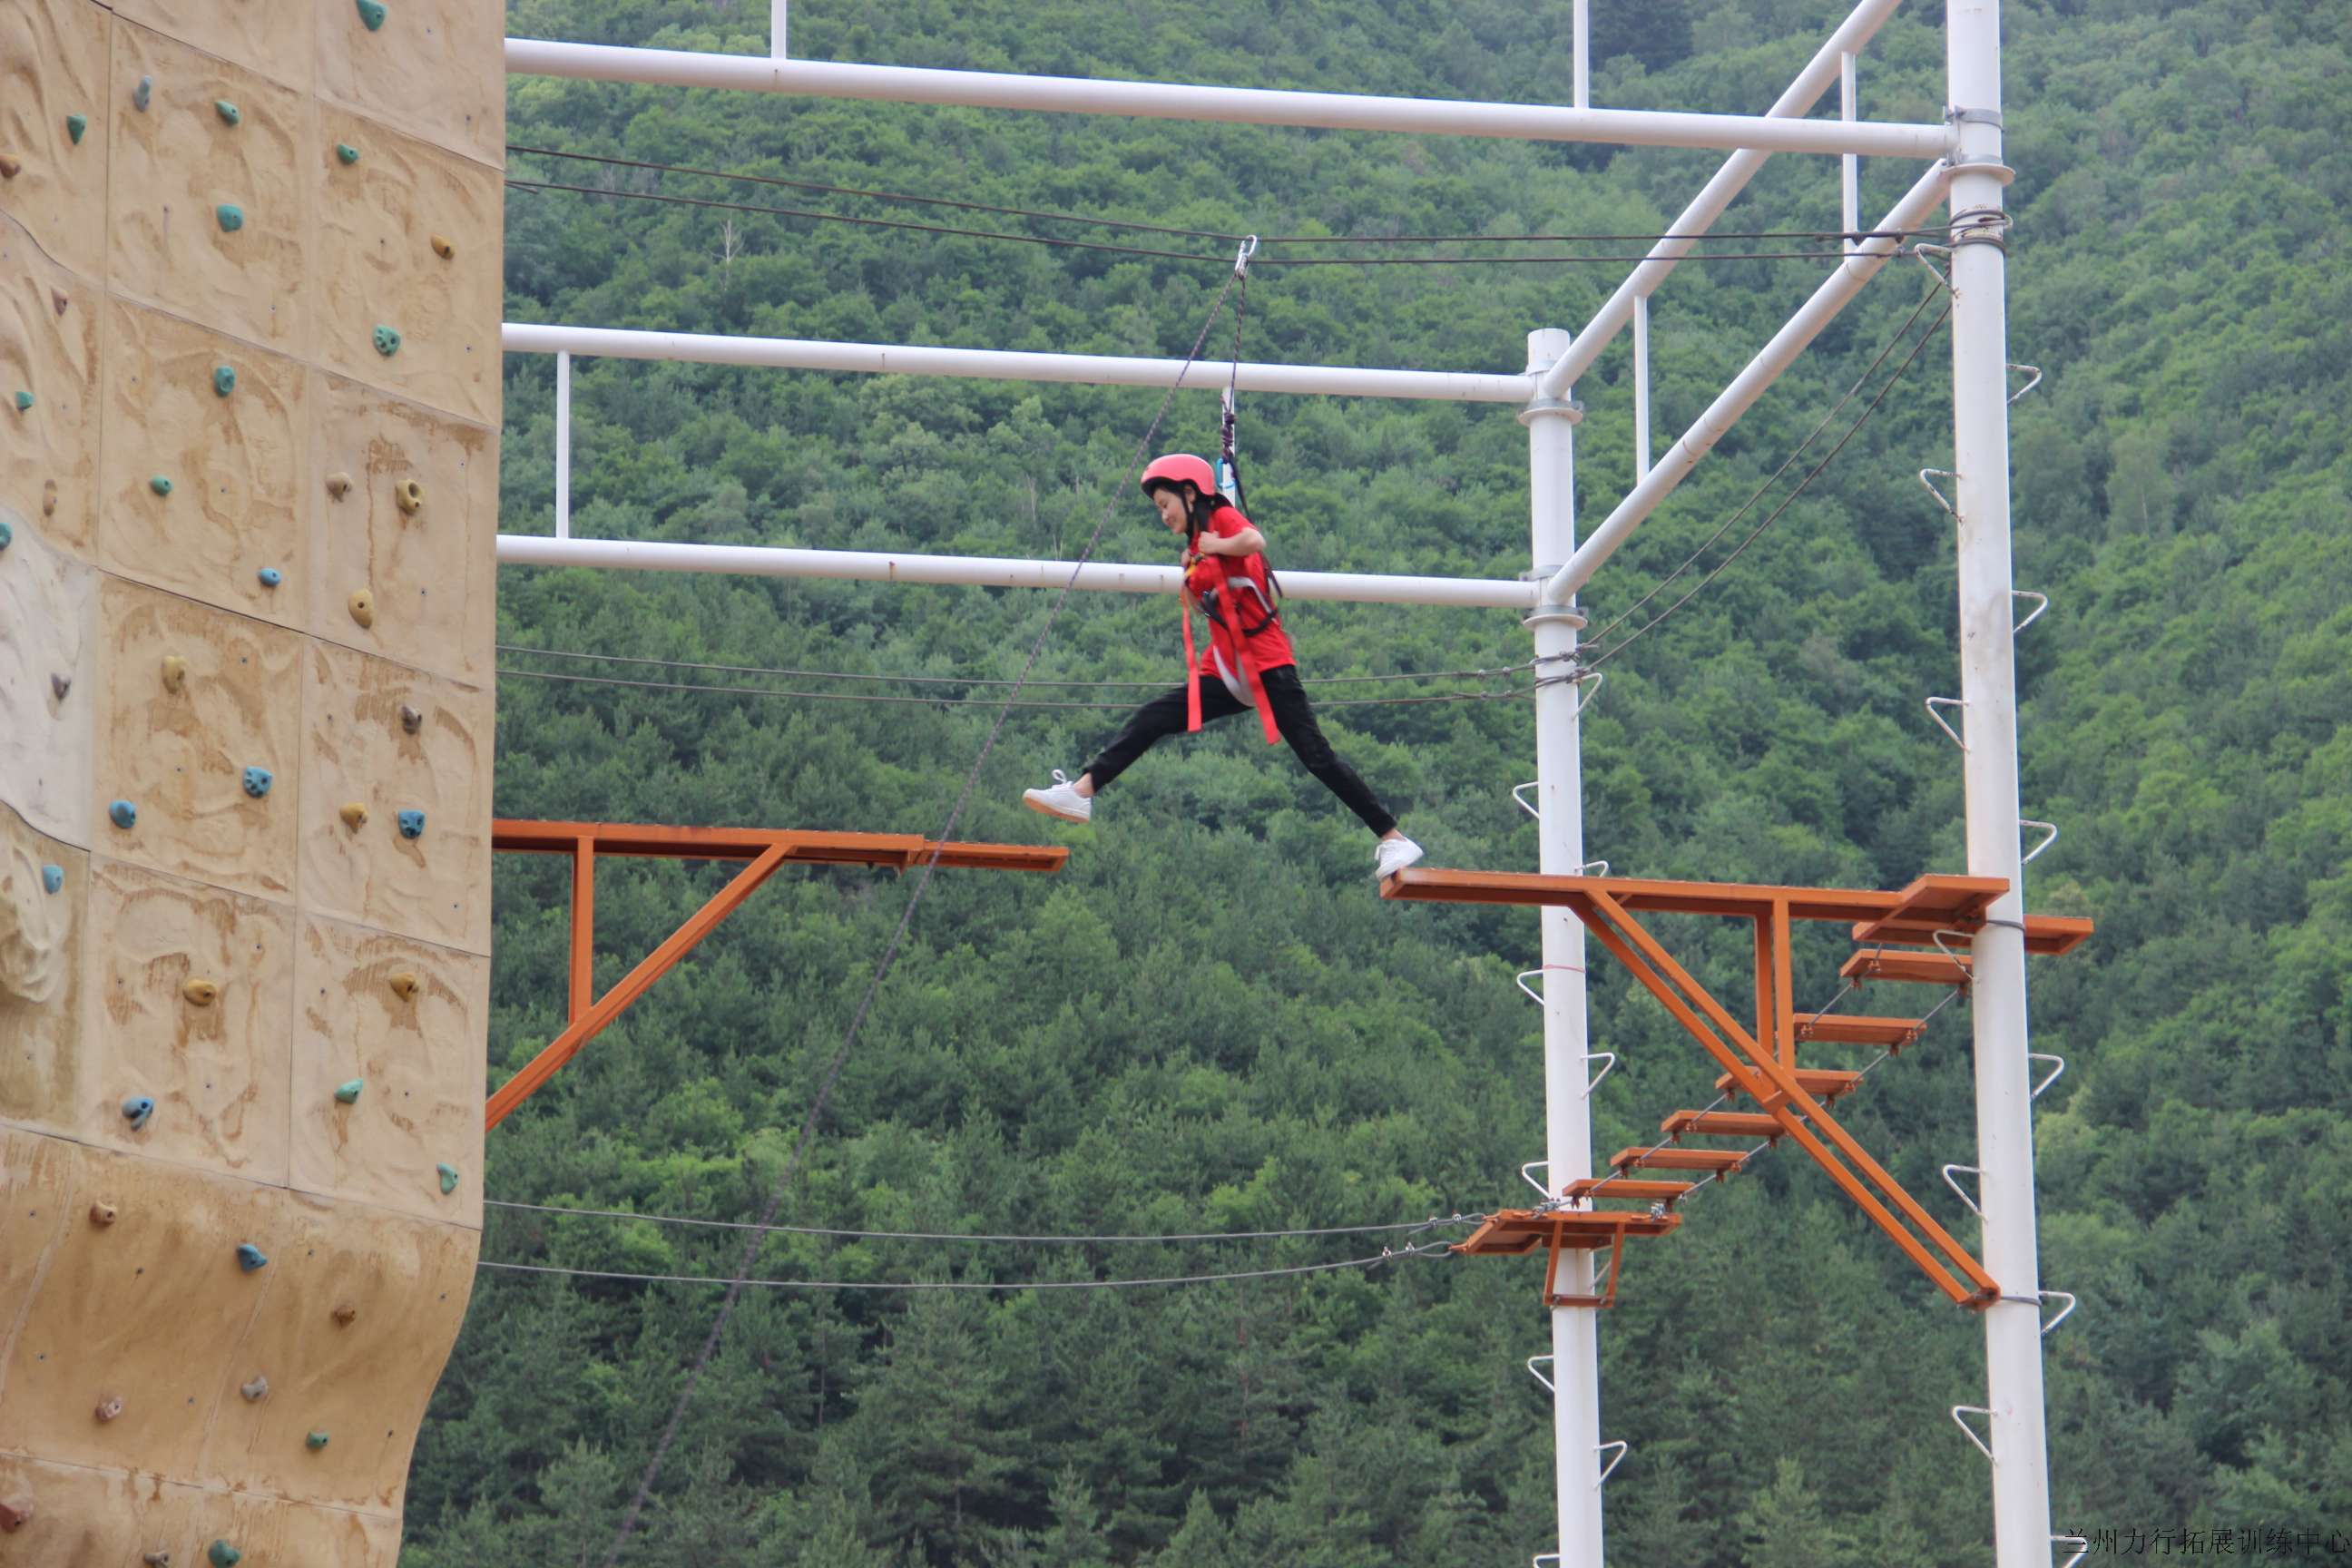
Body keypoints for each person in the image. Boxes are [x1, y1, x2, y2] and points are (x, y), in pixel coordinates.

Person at [1022, 453, 1425, 880]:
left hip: (1268, 664)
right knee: (1154, 717)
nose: (1162, 514)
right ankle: (1083, 790)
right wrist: (1193, 568)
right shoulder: (1196, 549)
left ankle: (1393, 837)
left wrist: (1215, 546)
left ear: (1190, 493)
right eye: (1158, 508)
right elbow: (1202, 606)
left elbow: (1254, 541)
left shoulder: (1223, 519)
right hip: (1226, 671)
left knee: (1317, 757)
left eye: (1165, 503)